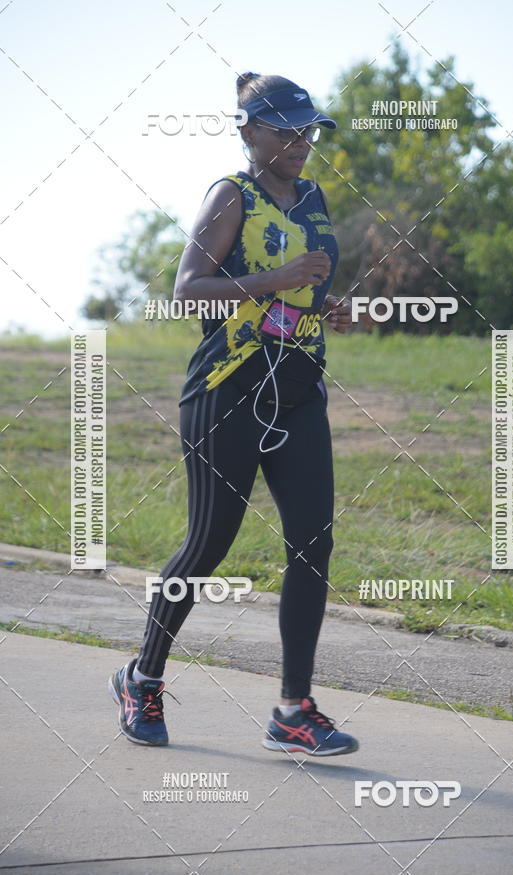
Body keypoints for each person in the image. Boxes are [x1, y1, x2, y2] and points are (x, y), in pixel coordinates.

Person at [108, 71, 358, 757]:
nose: (301, 143)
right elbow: (190, 289)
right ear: (249, 132)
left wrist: (325, 307)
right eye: (287, 131)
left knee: (312, 544)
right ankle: (142, 678)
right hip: (226, 391)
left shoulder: (314, 198)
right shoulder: (231, 195)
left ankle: (293, 712)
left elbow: (300, 290)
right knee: (207, 546)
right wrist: (277, 280)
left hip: (297, 392)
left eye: (309, 131)